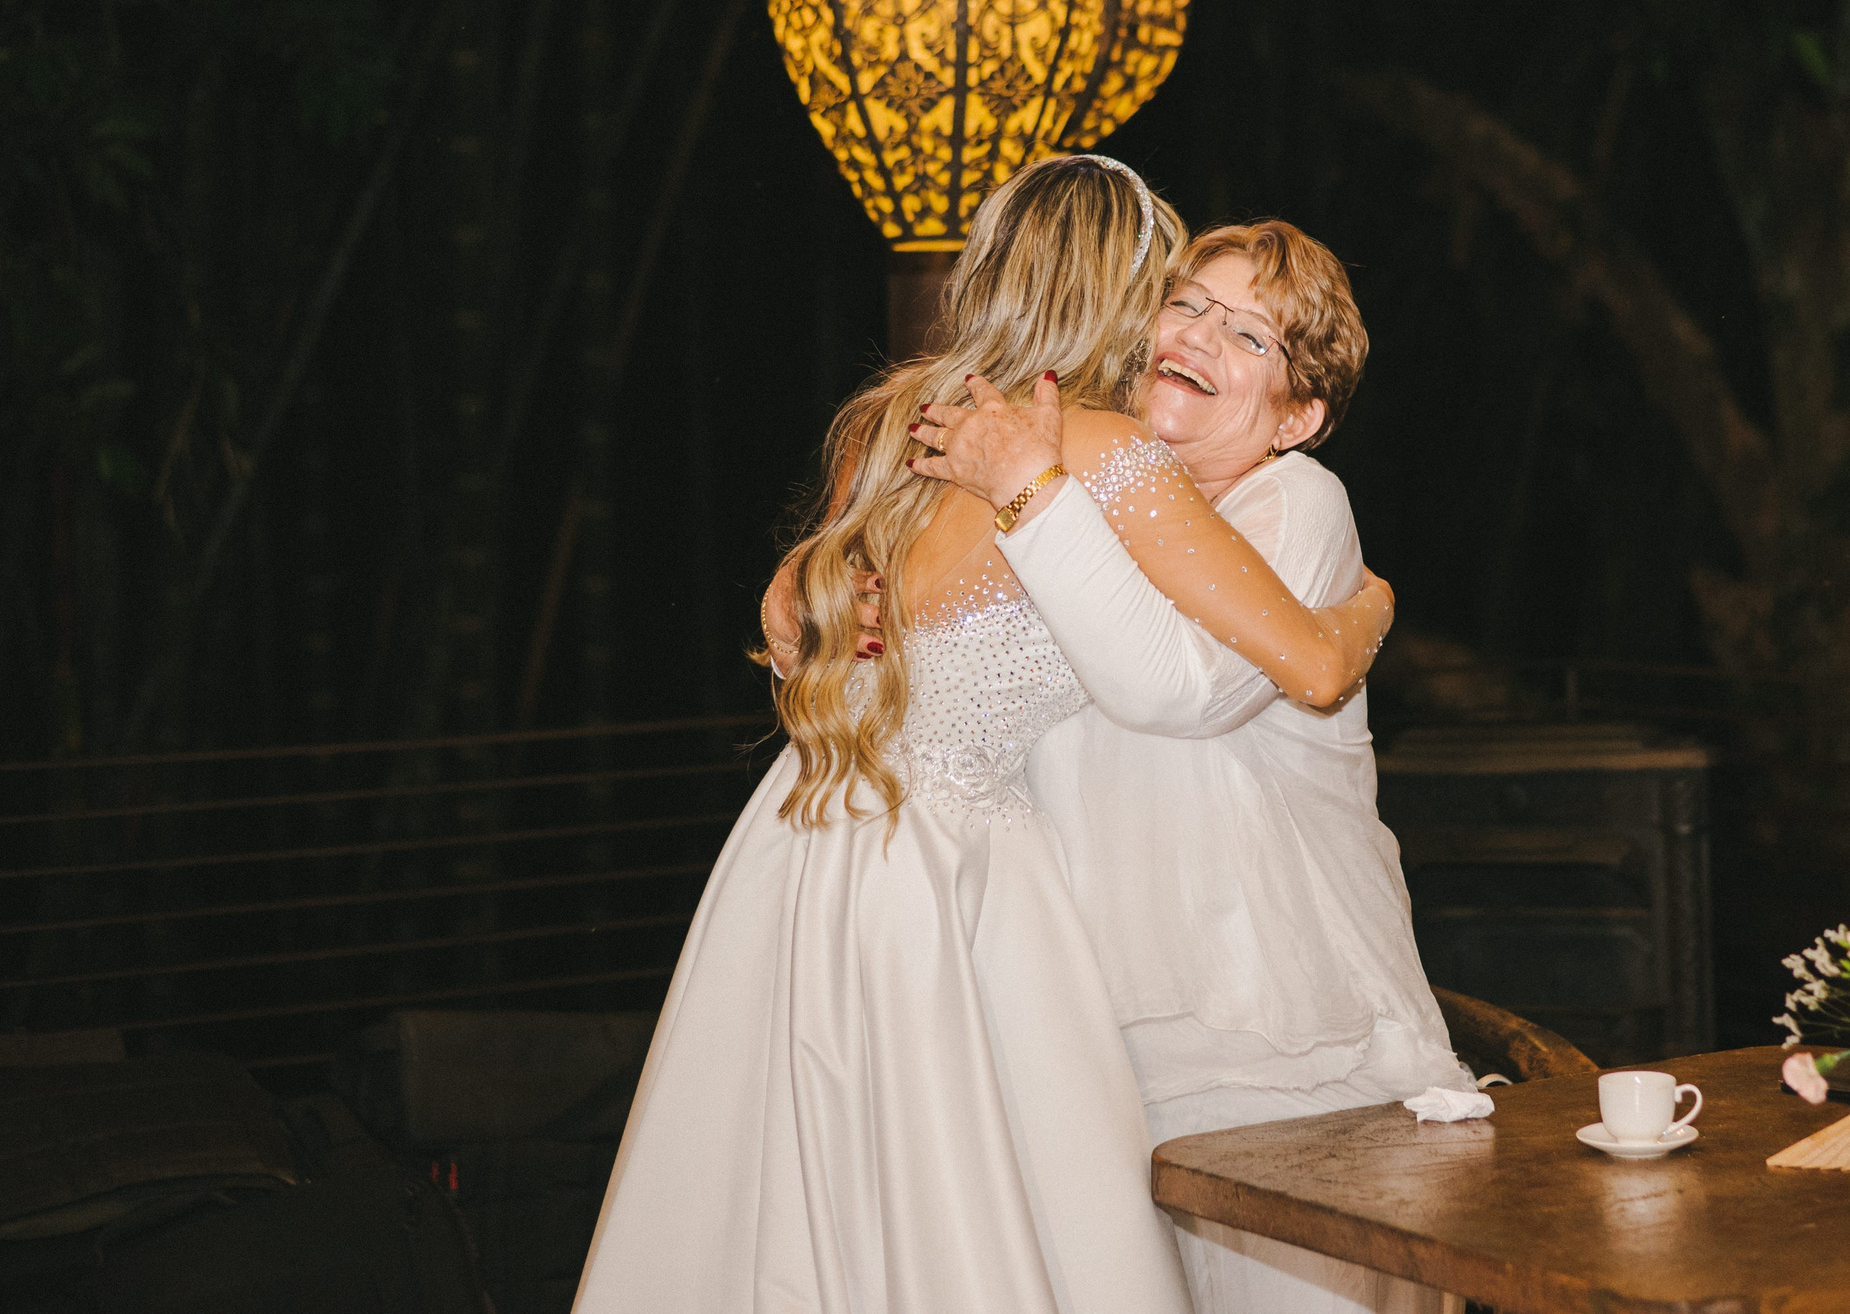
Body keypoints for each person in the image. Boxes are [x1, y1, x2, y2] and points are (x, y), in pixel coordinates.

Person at [572, 157, 1395, 1314]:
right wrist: (1374, 599)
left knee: (798, 1196)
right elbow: (1306, 663)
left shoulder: (889, 424)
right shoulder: (1103, 455)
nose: (1187, 329)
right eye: (1179, 297)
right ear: (1123, 296)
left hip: (802, 837)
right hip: (951, 869)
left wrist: (789, 597)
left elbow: (818, 618)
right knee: (965, 1209)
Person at [911, 221, 1466, 1314]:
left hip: (1279, 1032)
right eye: (1188, 304)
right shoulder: (1095, 496)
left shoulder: (1296, 502)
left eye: (1250, 334)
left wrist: (1033, 488)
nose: (1201, 334)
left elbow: (1180, 690)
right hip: (1104, 1031)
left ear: (1295, 415)